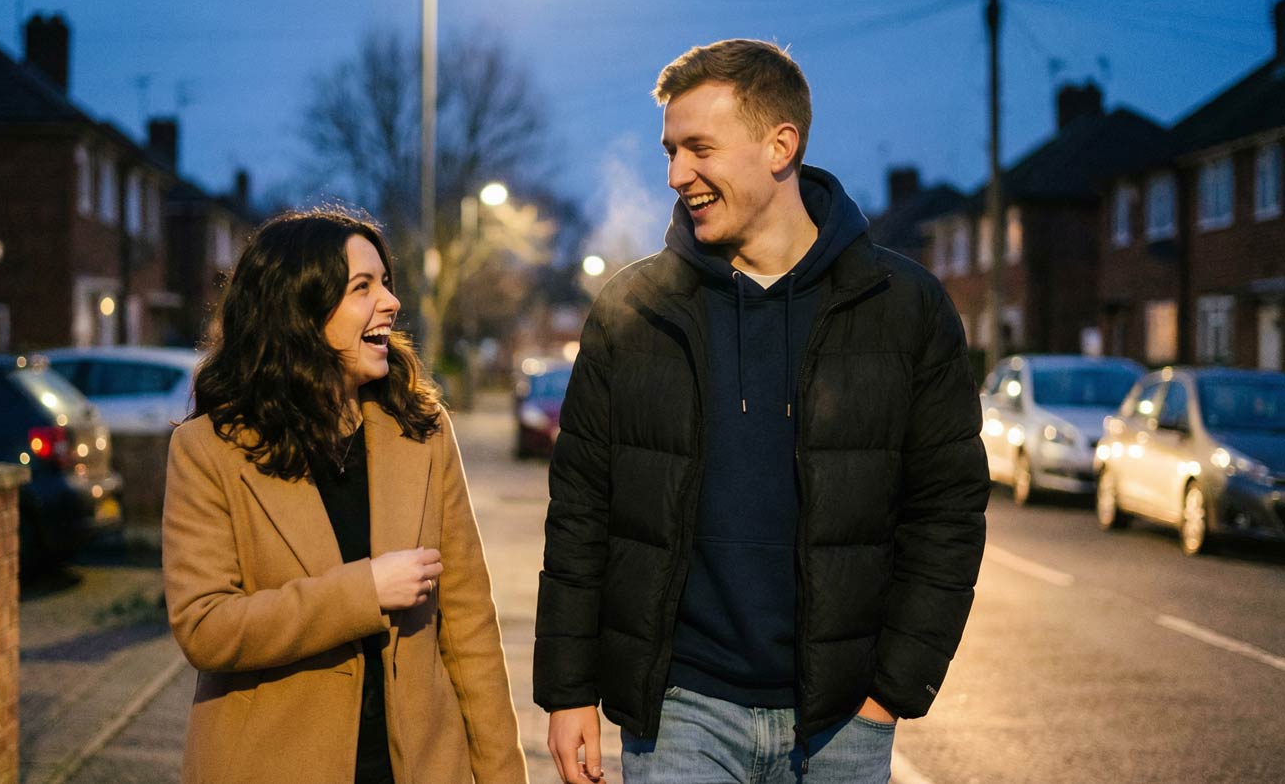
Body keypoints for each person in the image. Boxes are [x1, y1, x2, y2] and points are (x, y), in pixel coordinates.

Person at [534, 39, 990, 784]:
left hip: (844, 715)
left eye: (699, 148)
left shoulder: (904, 307)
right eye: (670, 152)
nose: (678, 174)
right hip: (680, 710)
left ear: (781, 145)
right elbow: (582, 509)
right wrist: (569, 691)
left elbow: (948, 508)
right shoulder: (634, 309)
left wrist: (890, 692)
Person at [163, 209, 528, 784]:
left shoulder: (422, 431)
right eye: (363, 287)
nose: (390, 302)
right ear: (300, 311)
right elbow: (206, 628)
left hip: (422, 765)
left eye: (385, 282)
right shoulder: (209, 450)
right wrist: (365, 591)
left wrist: (503, 774)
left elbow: (469, 629)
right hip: (270, 762)